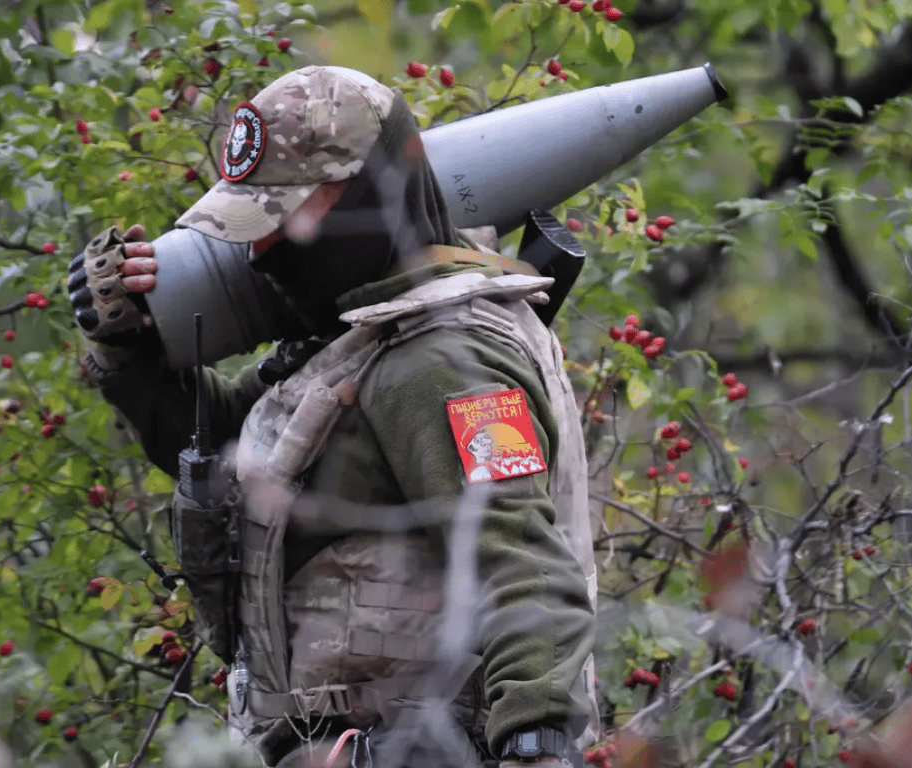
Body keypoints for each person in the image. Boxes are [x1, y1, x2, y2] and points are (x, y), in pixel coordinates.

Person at [70, 65, 598, 768]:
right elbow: (235, 448)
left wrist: (534, 747)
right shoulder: (362, 337)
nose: (259, 251)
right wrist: (128, 349)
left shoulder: (439, 360)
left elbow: (525, 572)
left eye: (283, 216)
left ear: (369, 194)